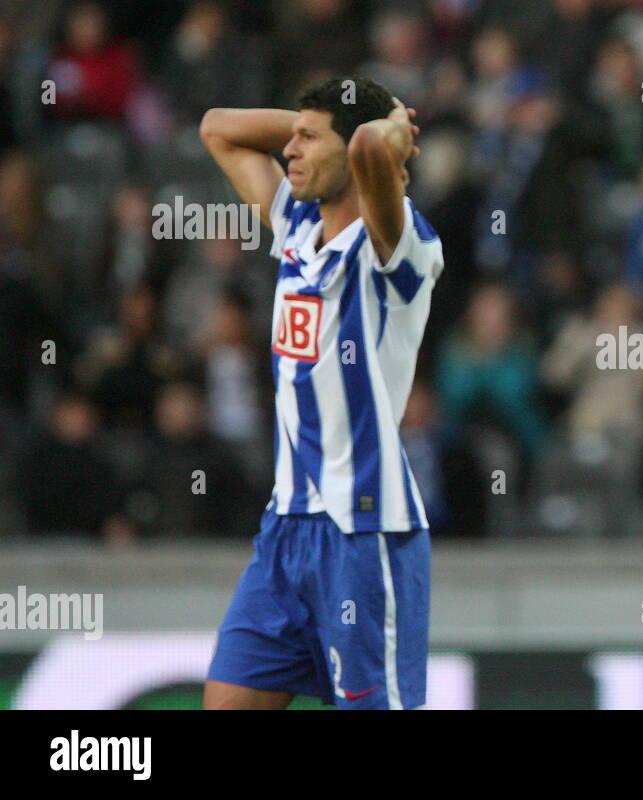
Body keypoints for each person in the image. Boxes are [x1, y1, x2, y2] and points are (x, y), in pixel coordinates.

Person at [198, 76, 444, 709]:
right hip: (285, 530)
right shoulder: (296, 226)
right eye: (292, 136)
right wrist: (317, 126)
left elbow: (365, 147)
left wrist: (386, 124)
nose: (289, 150)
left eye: (308, 139)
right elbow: (218, 126)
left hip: (364, 533)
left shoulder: (399, 245)